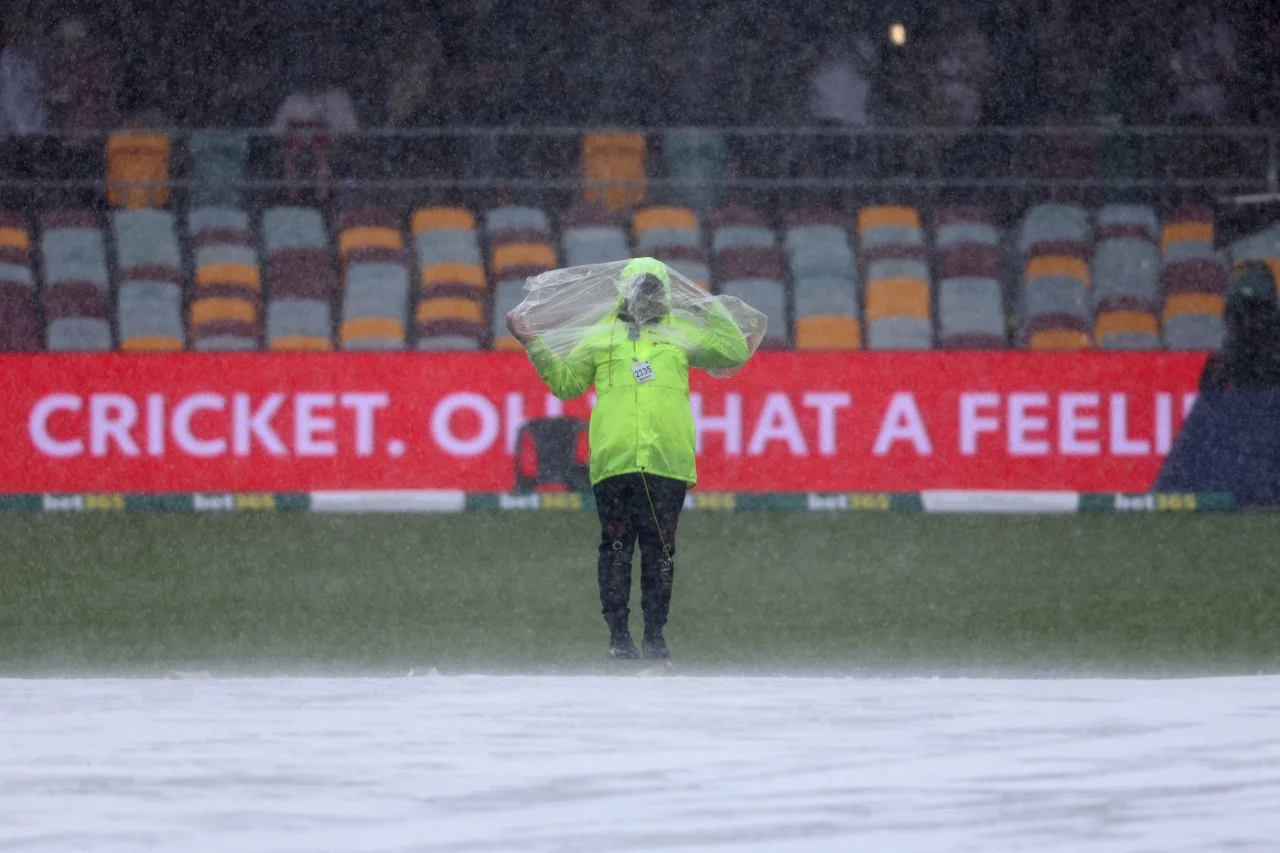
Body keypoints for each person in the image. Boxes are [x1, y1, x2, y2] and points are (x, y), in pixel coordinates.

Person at [507, 258, 752, 660]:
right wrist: (533, 343)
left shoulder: (680, 332)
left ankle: (654, 635)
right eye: (641, 289)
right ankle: (619, 636)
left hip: (666, 459)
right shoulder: (602, 335)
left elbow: (732, 351)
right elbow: (567, 385)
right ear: (626, 291)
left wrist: (708, 307)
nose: (648, 297)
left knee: (660, 551)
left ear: (665, 294)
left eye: (655, 290)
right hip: (615, 460)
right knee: (617, 548)